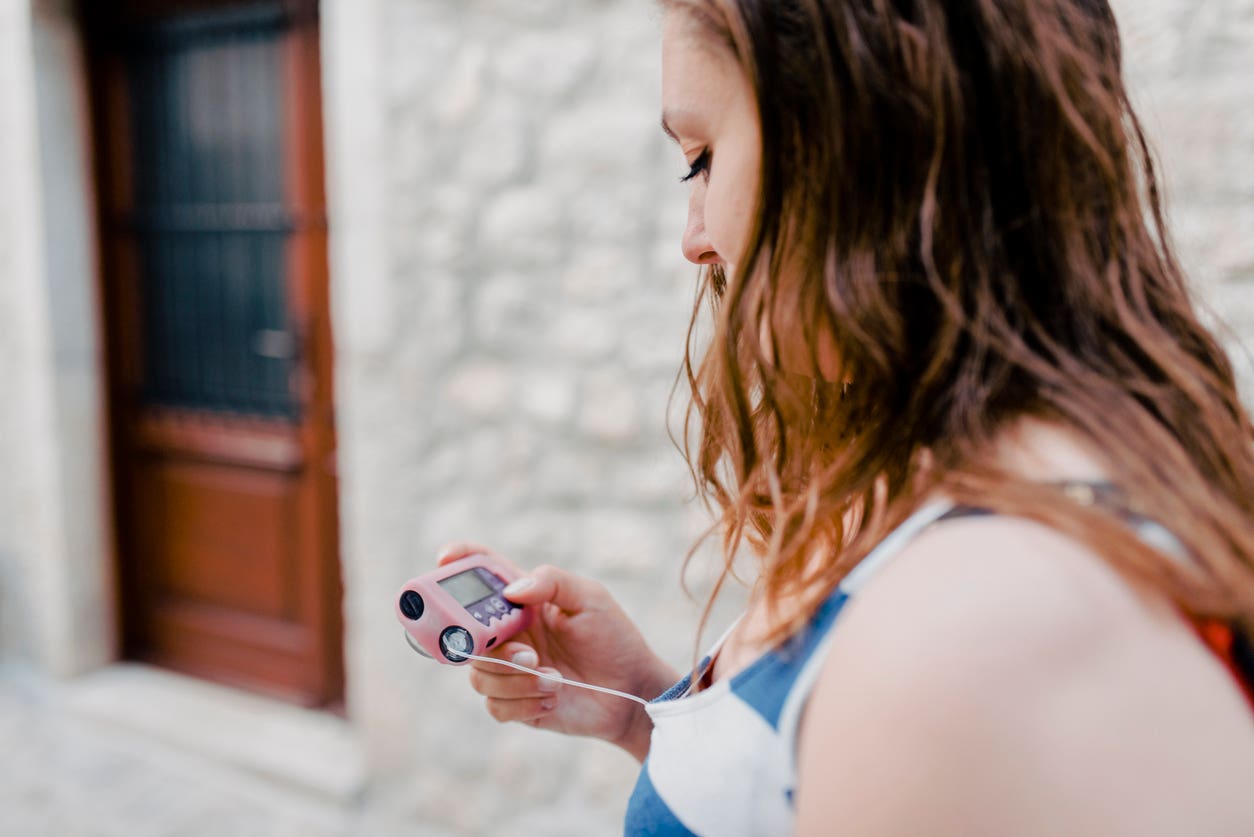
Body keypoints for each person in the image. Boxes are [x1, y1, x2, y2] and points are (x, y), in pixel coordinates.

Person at [436, 0, 1254, 833]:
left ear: (871, 139)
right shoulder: (958, 484)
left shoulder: (963, 638)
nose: (695, 238)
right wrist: (643, 705)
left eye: (702, 159)